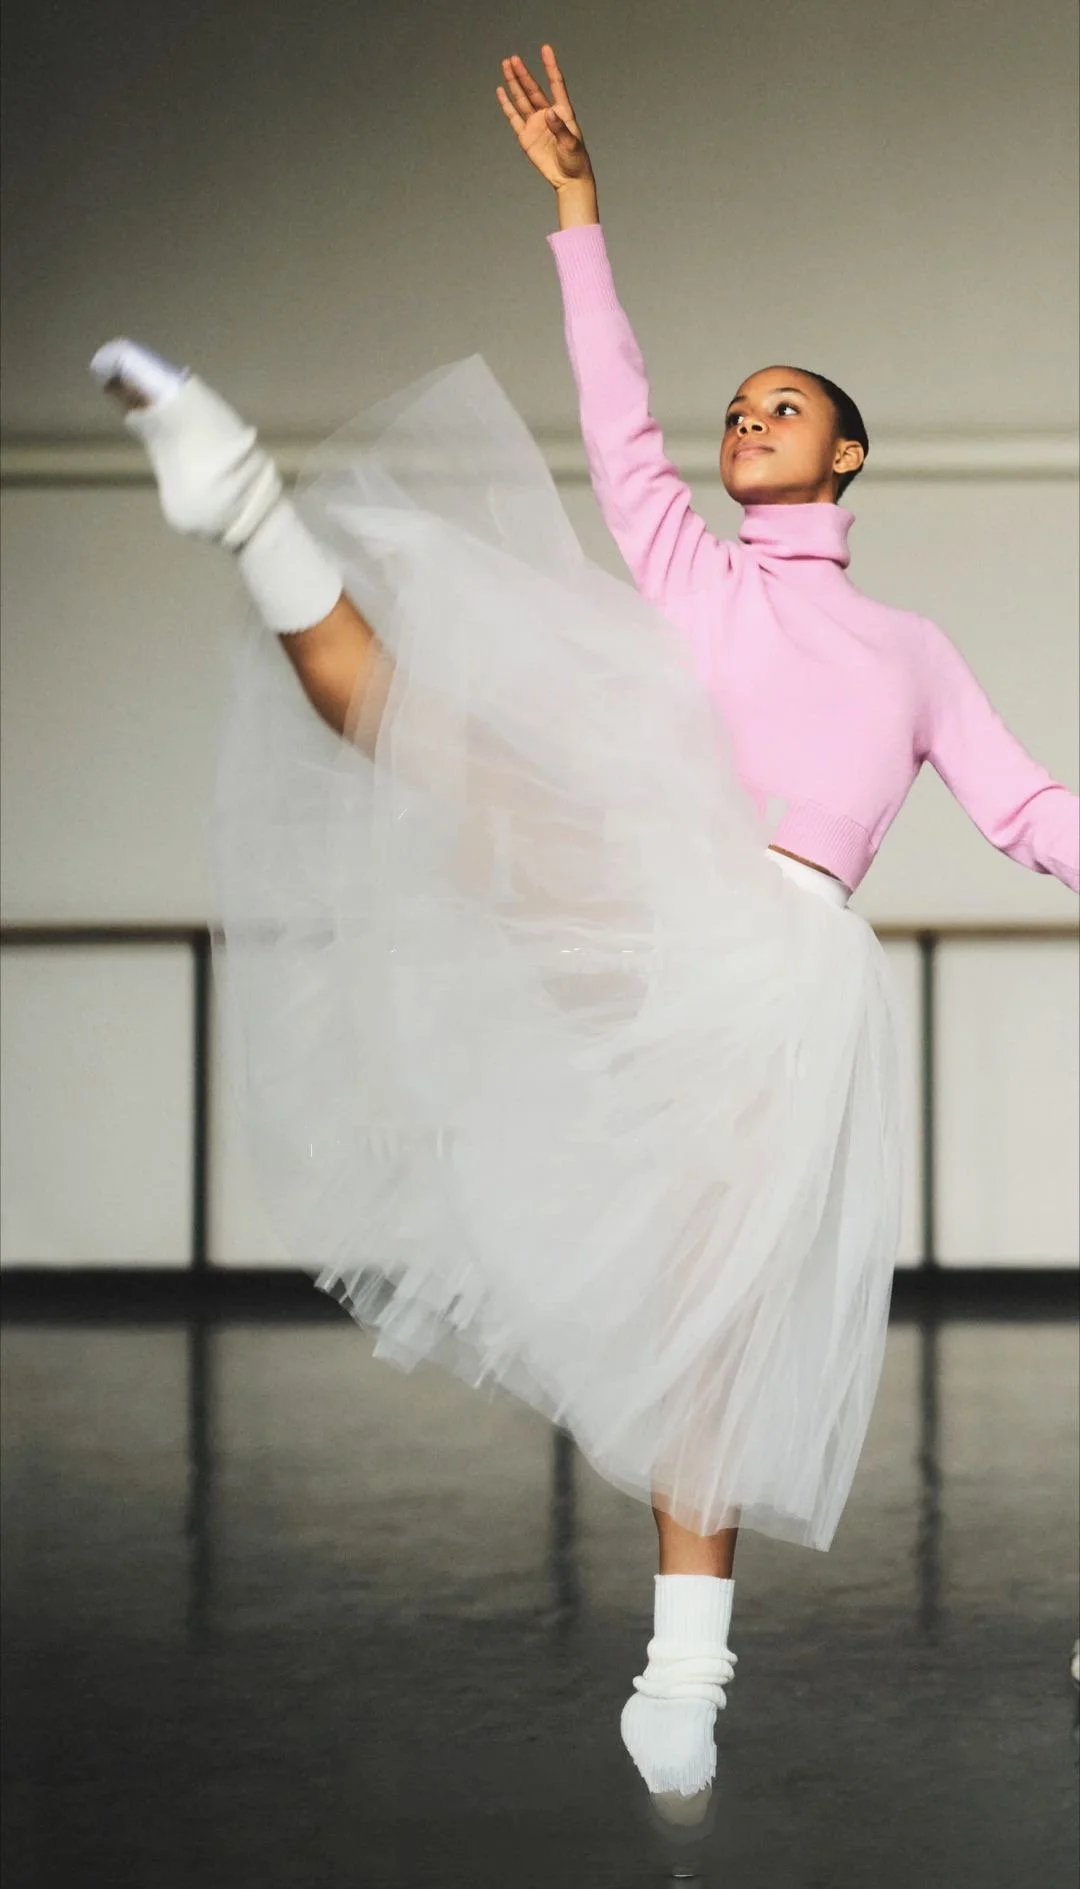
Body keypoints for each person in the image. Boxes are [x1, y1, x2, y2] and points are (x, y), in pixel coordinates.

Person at [90, 44, 1079, 1822]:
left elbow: (1029, 811)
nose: (746, 415)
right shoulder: (688, 568)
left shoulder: (909, 651)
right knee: (433, 732)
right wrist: (576, 206)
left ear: (849, 453)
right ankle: (237, 492)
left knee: (707, 1325)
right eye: (741, 404)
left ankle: (686, 1666)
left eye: (787, 404)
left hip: (782, 975)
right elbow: (615, 421)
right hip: (650, 885)